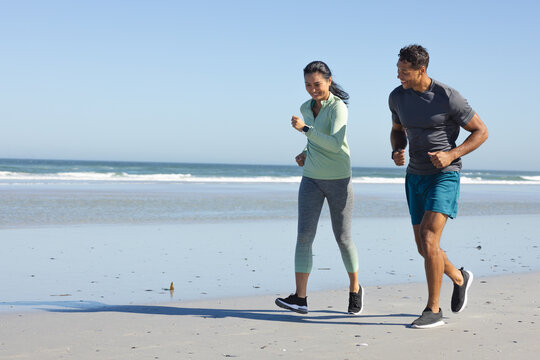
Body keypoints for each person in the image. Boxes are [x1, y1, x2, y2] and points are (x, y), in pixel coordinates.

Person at [389, 45, 488, 328]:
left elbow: (481, 131)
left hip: (445, 174)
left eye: (404, 72)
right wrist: (397, 150)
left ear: (422, 70)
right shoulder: (397, 97)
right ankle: (459, 277)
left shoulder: (448, 97)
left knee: (430, 239)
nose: (399, 76)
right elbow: (397, 131)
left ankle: (433, 309)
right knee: (424, 247)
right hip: (414, 176)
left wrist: (451, 154)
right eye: (398, 70)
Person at [275, 61, 363, 315]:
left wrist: (305, 130)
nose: (312, 89)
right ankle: (300, 298)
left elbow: (335, 144)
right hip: (311, 178)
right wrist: (304, 152)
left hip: (338, 179)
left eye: (317, 84)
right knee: (304, 237)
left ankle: (355, 289)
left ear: (329, 81)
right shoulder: (306, 107)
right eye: (307, 85)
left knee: (343, 238)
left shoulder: (339, 108)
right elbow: (316, 140)